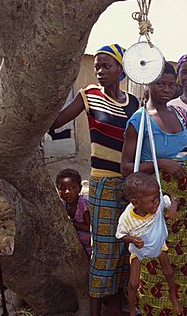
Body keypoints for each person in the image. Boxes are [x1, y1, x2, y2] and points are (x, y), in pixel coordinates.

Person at [120, 62, 187, 315]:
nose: (166, 89)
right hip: (160, 209)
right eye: (160, 84)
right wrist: (161, 164)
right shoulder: (139, 120)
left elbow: (185, 147)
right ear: (148, 85)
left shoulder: (176, 114)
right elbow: (125, 167)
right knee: (163, 268)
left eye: (170, 84)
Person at [50, 44, 139, 316]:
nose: (99, 71)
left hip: (129, 185)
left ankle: (116, 305)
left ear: (121, 70)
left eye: (106, 66)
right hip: (102, 185)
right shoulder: (88, 95)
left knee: (125, 247)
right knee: (103, 250)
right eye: (97, 66)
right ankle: (95, 310)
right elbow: (56, 122)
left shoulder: (133, 103)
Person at [116, 172, 182, 316]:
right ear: (136, 203)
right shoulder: (127, 218)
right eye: (153, 200)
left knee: (169, 273)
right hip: (138, 250)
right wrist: (132, 239)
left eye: (157, 198)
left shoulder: (158, 204)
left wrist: (173, 208)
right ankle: (132, 310)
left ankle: (173, 296)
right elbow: (120, 236)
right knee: (133, 283)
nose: (157, 203)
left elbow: (174, 199)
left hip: (158, 243)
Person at [56, 168, 91, 256]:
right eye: (63, 188)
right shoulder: (63, 205)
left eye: (72, 187)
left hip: (87, 244)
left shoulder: (83, 205)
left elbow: (88, 227)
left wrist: (71, 223)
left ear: (80, 188)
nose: (67, 192)